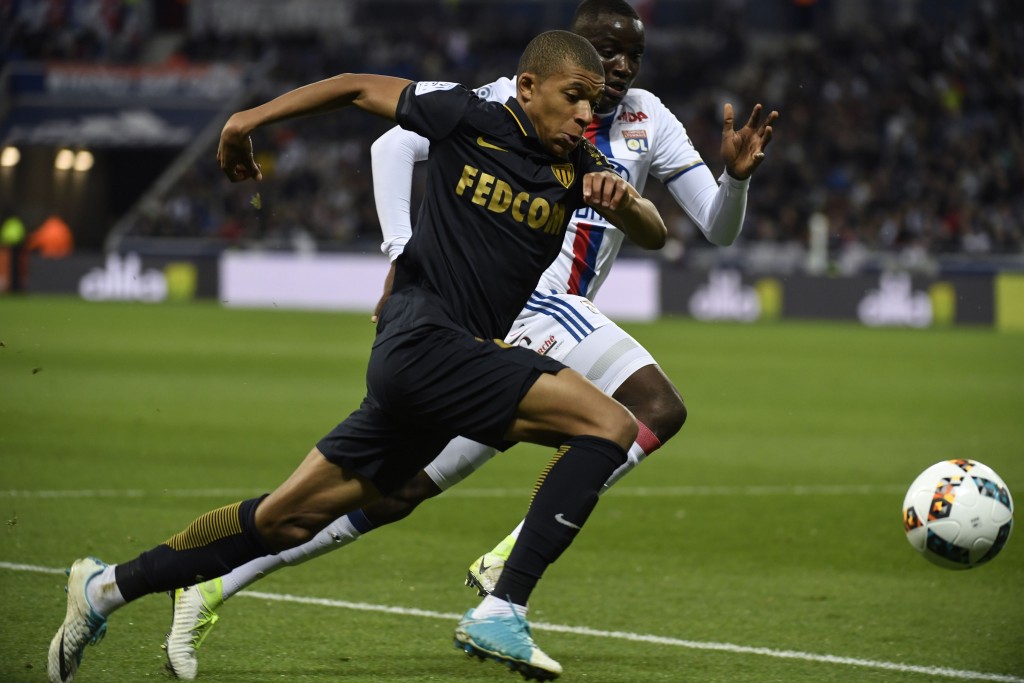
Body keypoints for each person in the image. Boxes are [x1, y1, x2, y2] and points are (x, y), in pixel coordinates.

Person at [162, 0, 777, 680]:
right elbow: (392, 143)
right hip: (535, 305)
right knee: (652, 407)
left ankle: (214, 582)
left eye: (634, 52)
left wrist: (737, 179)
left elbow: (717, 229)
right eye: (606, 48)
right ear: (571, 50)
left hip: (498, 338)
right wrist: (401, 252)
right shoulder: (507, 102)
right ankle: (509, 575)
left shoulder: (647, 119)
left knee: (393, 492)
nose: (622, 63)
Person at [48, 29, 669, 683]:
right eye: (573, 97)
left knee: (284, 519)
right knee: (610, 424)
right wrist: (244, 122)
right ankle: (502, 604)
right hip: (423, 340)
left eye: (591, 103)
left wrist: (626, 201)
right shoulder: (466, 115)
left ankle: (105, 588)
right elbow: (352, 87)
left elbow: (653, 233)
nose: (582, 114)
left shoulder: (579, 171)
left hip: (430, 373)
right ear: (527, 87)